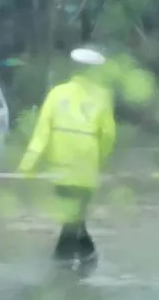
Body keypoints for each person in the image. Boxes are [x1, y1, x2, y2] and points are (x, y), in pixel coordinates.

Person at [18, 47, 116, 272]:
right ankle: (80, 261)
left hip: (59, 172)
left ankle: (67, 264)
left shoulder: (56, 94)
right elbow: (108, 136)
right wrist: (99, 160)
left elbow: (41, 135)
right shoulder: (102, 97)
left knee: (72, 219)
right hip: (86, 171)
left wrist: (27, 166)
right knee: (74, 218)